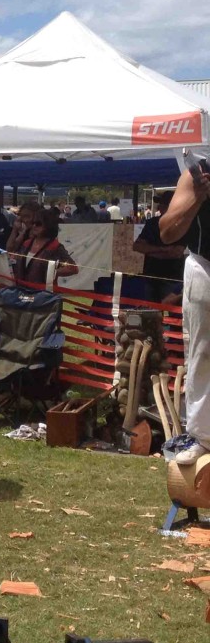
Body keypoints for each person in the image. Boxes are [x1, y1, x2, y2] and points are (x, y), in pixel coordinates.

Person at [160, 157, 210, 464]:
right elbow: (167, 232)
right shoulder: (198, 174)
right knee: (202, 356)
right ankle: (202, 437)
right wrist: (198, 198)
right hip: (205, 266)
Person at [133, 190, 185, 305]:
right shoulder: (152, 223)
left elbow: (176, 252)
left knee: (171, 310)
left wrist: (150, 250)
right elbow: (137, 246)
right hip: (150, 276)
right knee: (150, 310)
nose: (159, 207)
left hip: (171, 278)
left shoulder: (181, 225)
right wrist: (163, 250)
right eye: (160, 204)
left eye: (163, 204)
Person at [11, 207, 78, 286]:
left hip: (44, 291)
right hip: (22, 289)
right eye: (33, 223)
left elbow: (73, 268)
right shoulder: (26, 243)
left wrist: (52, 272)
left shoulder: (55, 246)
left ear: (48, 225)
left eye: (38, 224)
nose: (34, 226)